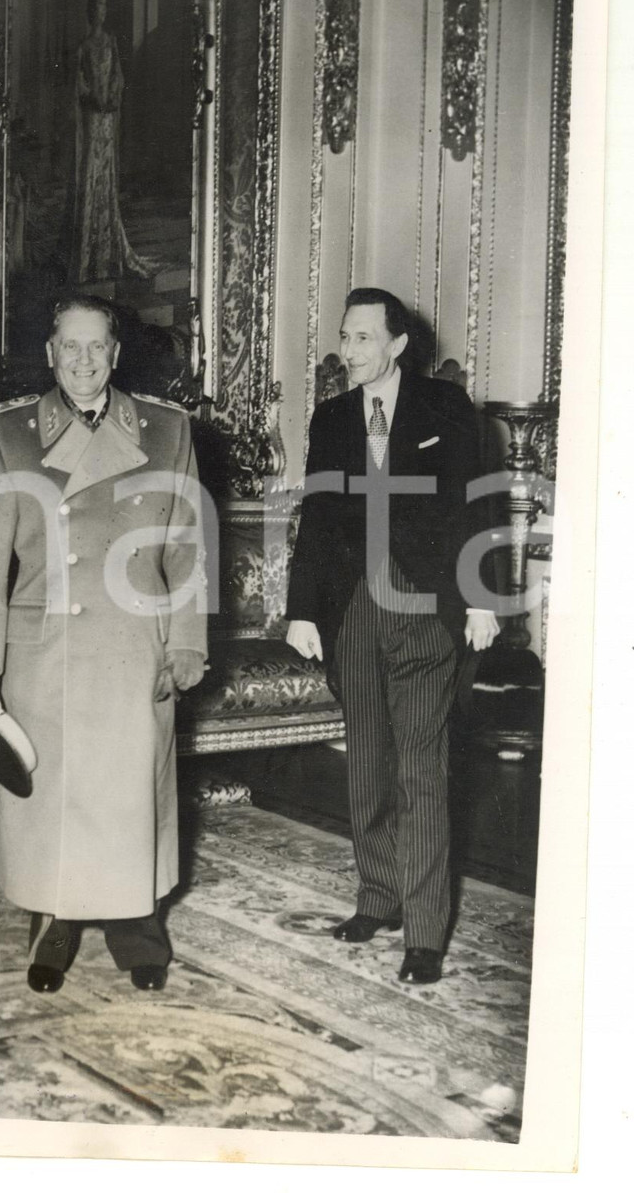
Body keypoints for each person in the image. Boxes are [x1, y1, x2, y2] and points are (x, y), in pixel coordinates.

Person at [0, 294, 207, 993]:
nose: (83, 361)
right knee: (55, 797)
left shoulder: (166, 430)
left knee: (133, 795)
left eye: (97, 346)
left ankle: (140, 927)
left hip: (134, 644)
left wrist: (186, 640)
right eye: (69, 347)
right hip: (47, 648)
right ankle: (52, 924)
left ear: (117, 352)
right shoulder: (7, 434)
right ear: (49, 353)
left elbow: (187, 547)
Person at [285, 287, 499, 985]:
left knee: (421, 769)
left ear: (398, 344)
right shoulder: (333, 417)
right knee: (368, 762)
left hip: (424, 604)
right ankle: (377, 897)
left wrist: (480, 600)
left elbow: (477, 504)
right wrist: (304, 611)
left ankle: (427, 929)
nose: (348, 351)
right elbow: (317, 517)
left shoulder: (446, 409)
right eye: (345, 337)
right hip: (353, 608)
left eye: (363, 339)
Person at [72, 0, 153, 283]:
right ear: (90, 9)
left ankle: (107, 253)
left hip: (108, 119)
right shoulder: (83, 47)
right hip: (93, 120)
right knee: (93, 177)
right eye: (97, 4)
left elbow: (119, 77)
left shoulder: (111, 43)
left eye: (105, 5)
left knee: (107, 178)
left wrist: (113, 98)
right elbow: (78, 85)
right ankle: (87, 255)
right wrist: (93, 98)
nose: (101, 10)